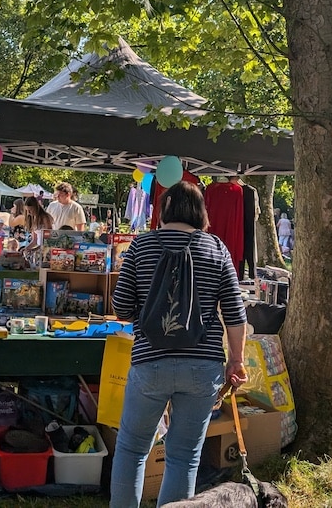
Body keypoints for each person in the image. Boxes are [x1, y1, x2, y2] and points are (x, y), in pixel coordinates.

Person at [110, 181, 247, 507]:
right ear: (200, 213)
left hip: (150, 362)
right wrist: (237, 361)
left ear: (163, 210)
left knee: (132, 448)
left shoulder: (141, 246)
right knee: (184, 456)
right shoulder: (216, 248)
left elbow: (121, 306)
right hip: (203, 367)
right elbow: (235, 312)